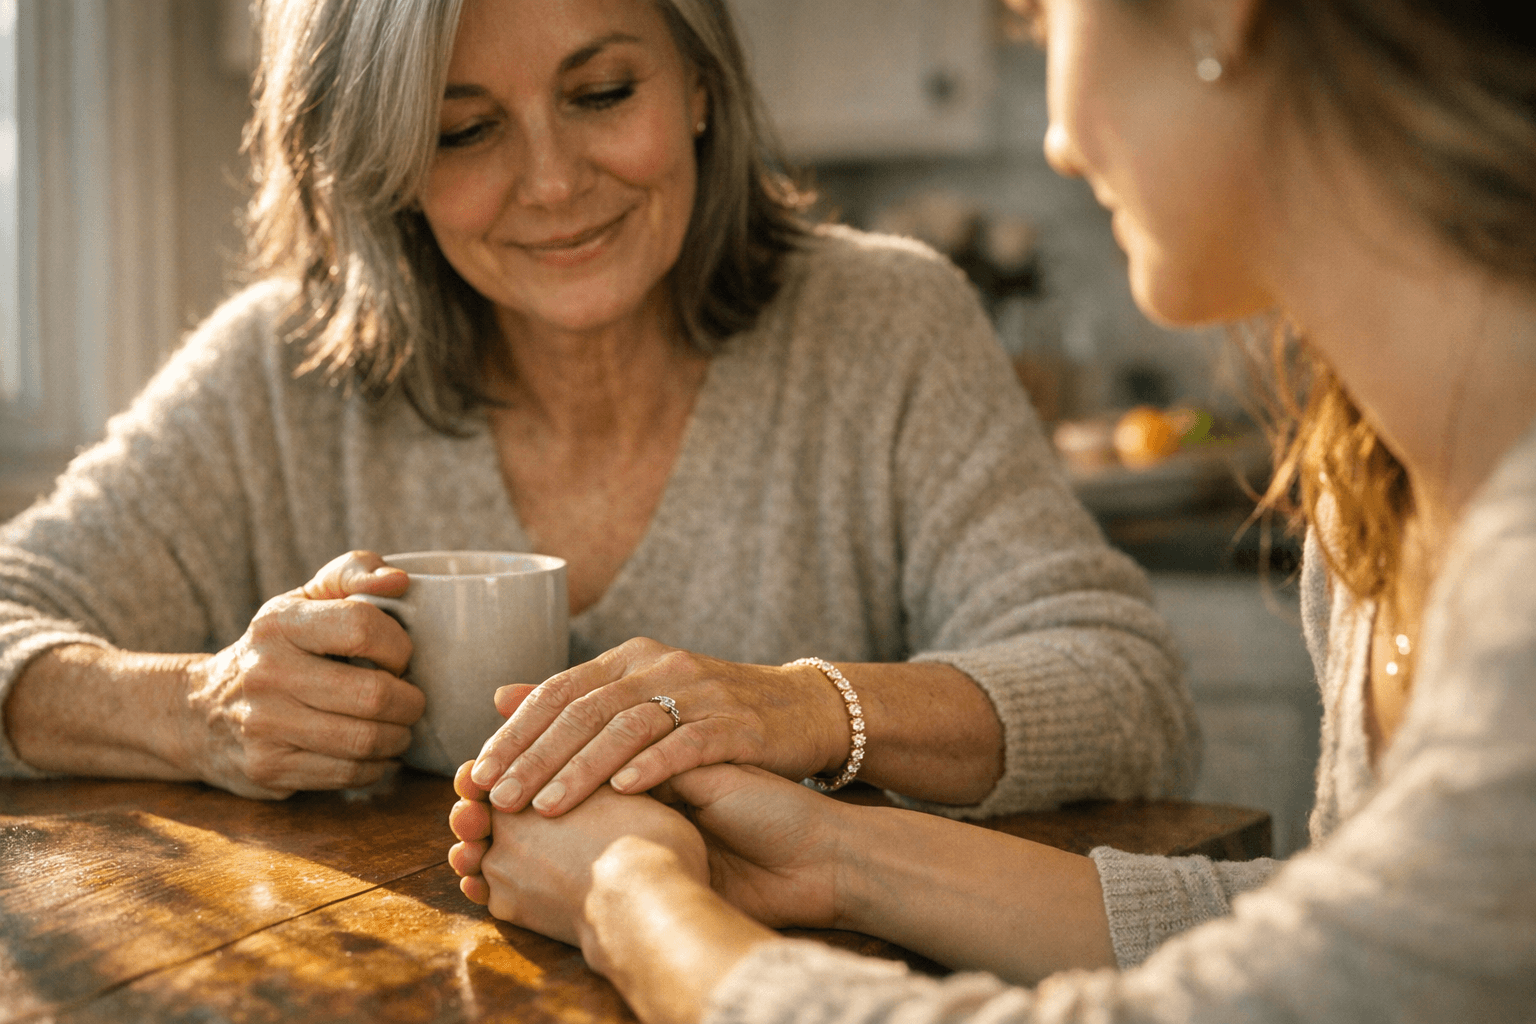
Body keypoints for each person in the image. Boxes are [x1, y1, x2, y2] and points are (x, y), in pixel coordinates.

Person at [447, 0, 1536, 1019]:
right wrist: (836, 856)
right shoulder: (1377, 484)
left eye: (1043, 12)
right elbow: (1344, 953)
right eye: (465, 128)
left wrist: (633, 901)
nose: (1058, 137)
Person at [0, 0, 1194, 817]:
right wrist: (196, 709)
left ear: (699, 88)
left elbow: (1125, 692)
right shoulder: (283, 369)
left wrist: (799, 705)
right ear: (390, 165)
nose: (556, 183)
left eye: (603, 91)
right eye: (466, 130)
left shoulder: (882, 326)